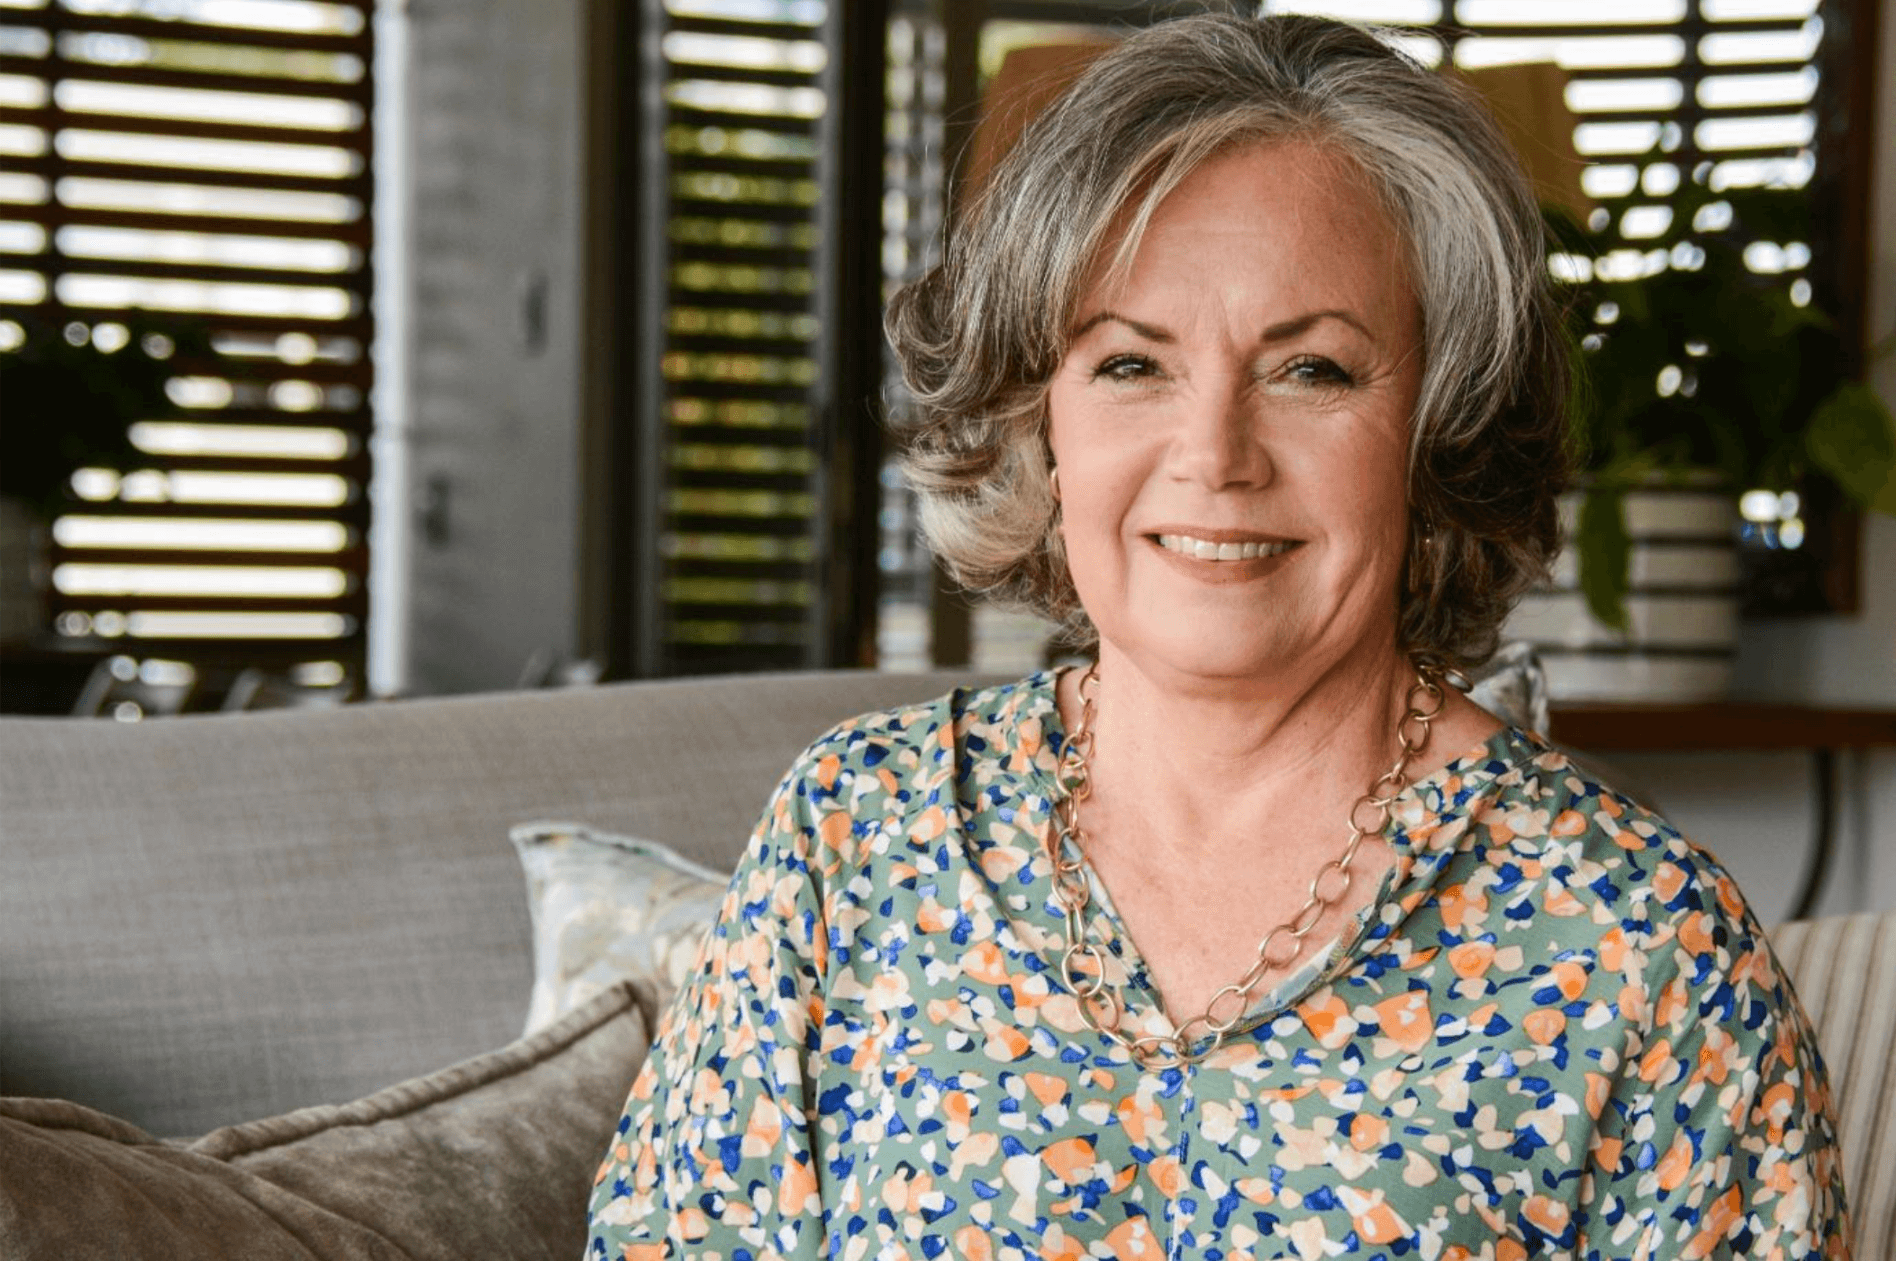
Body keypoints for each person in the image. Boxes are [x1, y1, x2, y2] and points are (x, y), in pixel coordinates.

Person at [588, 13, 1850, 1258]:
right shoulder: (851, 834)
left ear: (1438, 428)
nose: (1215, 458)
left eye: (1312, 371)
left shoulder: (1647, 941)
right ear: (1040, 423)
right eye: (1131, 365)